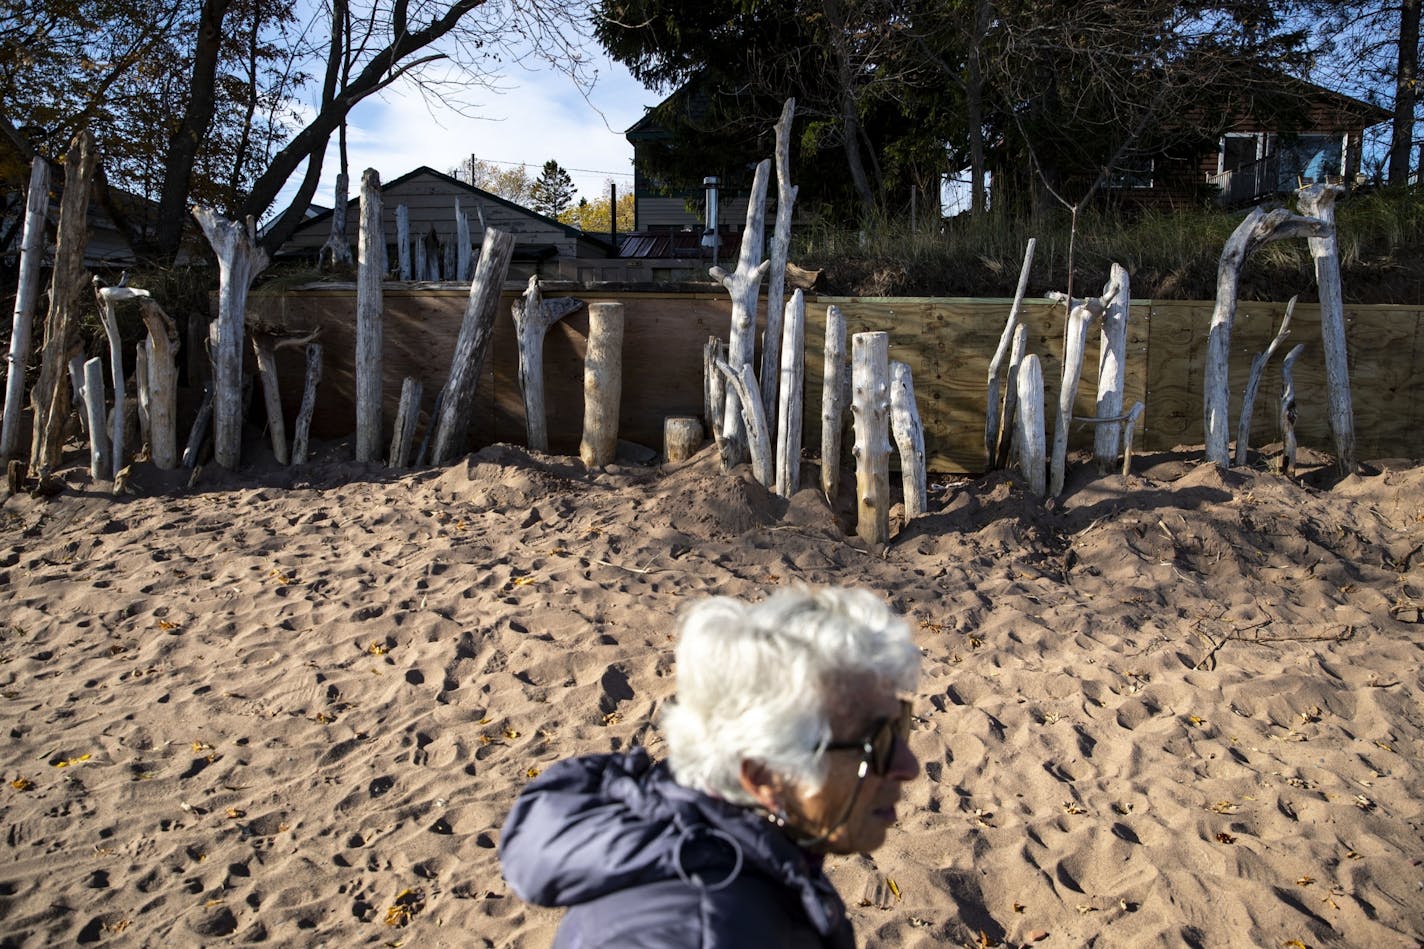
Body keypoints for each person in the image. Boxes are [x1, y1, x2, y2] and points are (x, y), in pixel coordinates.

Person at [499, 585, 921, 948]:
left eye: (899, 724)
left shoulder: (761, 849)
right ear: (766, 778)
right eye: (877, 743)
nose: (909, 765)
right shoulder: (696, 933)